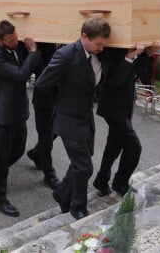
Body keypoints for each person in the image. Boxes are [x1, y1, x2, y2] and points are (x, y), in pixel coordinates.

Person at [35, 17, 111, 220]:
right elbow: (42, 83)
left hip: (86, 117)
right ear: (84, 36)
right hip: (68, 119)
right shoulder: (66, 55)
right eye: (98, 44)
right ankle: (78, 207)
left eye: (104, 44)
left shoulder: (99, 54)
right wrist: (62, 103)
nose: (102, 48)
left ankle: (62, 194)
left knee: (82, 161)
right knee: (84, 166)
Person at [0, 20, 41, 217]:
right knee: (3, 155)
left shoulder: (14, 47)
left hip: (19, 111)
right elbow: (21, 74)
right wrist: (32, 52)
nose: (16, 42)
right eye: (11, 41)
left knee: (19, 149)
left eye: (16, 38)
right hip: (5, 115)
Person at [92, 40, 160, 200]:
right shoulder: (109, 49)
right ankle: (120, 183)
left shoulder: (132, 47)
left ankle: (101, 180)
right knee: (134, 147)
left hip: (126, 105)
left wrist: (148, 54)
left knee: (114, 145)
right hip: (113, 107)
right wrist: (130, 57)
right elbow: (115, 80)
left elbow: (142, 75)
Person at [26, 42, 61, 190]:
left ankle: (36, 152)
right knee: (46, 137)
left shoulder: (70, 43)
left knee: (57, 130)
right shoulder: (44, 44)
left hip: (63, 98)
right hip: (45, 98)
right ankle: (49, 174)